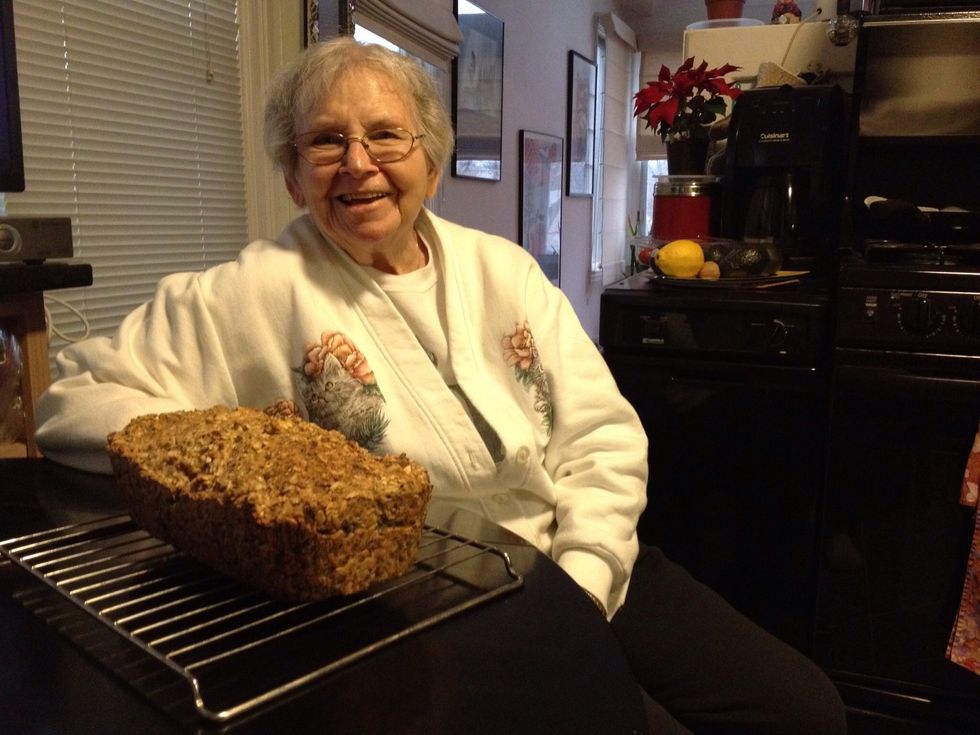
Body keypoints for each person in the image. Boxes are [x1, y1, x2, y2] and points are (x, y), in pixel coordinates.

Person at [34, 37, 846, 734]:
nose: (358, 163)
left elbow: (602, 435)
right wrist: (248, 455)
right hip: (423, 601)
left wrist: (585, 580)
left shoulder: (505, 270)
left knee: (805, 709)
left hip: (583, 550)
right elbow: (75, 399)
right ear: (292, 176)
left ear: (431, 159)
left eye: (386, 135)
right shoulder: (246, 293)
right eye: (326, 141)